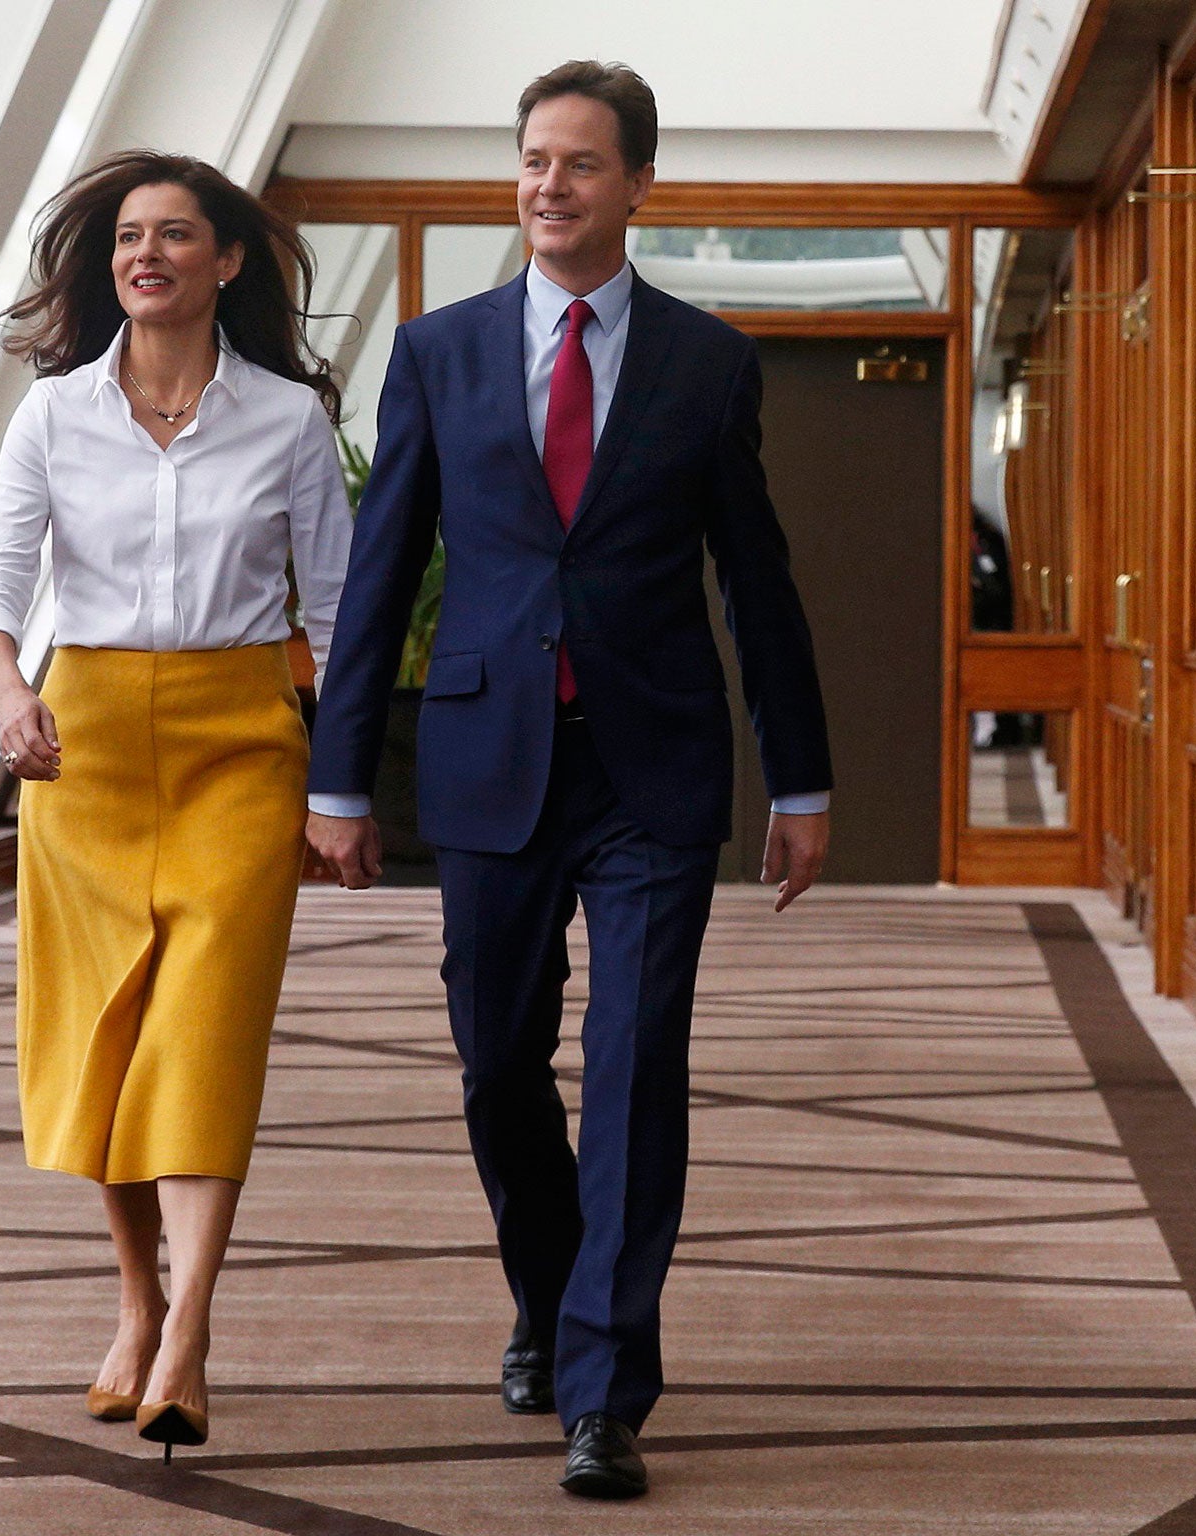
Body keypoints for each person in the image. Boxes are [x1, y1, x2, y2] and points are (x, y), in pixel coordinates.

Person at [306, 61, 833, 1500]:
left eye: (582, 163)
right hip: (488, 764)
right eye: (534, 160)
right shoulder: (440, 353)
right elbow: (383, 577)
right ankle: (544, 1295)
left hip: (654, 769)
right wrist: (339, 780)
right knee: (495, 1067)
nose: (551, 184)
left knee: (636, 1066)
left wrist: (801, 780)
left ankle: (607, 1388)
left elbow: (760, 588)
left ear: (638, 185)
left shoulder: (708, 363)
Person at [0, 150, 349, 1460]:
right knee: (106, 1039)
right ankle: (137, 1300)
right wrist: (13, 697)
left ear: (226, 264)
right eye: (131, 235)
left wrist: (340, 785)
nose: (149, 254)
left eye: (178, 235)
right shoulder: (53, 415)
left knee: (205, 1029)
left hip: (243, 745)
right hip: (88, 754)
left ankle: (190, 1334)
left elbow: (340, 615)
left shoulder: (288, 421)